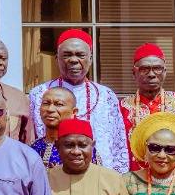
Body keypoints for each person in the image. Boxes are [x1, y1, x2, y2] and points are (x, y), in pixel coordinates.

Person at [27, 29, 127, 172]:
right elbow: (32, 137)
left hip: (99, 176)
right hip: (51, 174)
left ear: (91, 59)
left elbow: (119, 143)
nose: (73, 60)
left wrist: (118, 179)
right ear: (57, 59)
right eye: (67, 55)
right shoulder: (39, 93)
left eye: (80, 55)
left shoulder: (106, 95)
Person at [120, 43, 175, 172]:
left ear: (165, 72)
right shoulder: (121, 108)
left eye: (157, 68)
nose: (151, 74)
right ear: (134, 73)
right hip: (134, 183)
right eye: (144, 69)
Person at [28, 87, 79, 168]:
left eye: (59, 104)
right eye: (46, 103)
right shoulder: (33, 148)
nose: (50, 109)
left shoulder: (80, 150)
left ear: (74, 112)